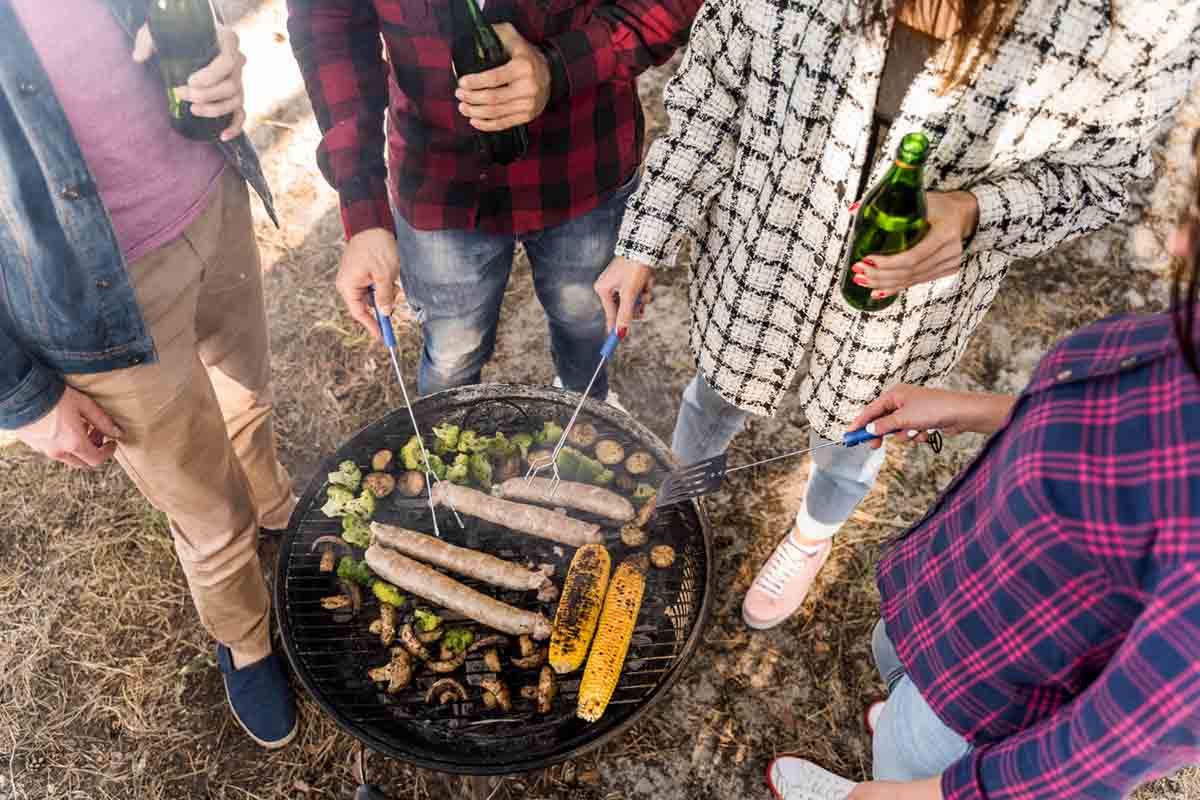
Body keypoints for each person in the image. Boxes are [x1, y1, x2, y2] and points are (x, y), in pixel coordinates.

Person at [593, 0, 1200, 630]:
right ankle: (685, 492)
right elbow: (713, 90)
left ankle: (810, 536)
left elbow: (1103, 177)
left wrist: (974, 212)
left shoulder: (1140, 21)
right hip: (762, 245)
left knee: (856, 433)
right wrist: (645, 240)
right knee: (715, 389)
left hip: (907, 302)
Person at [769, 130, 1200, 800]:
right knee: (896, 660)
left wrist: (910, 795)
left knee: (907, 750)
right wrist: (967, 408)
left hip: (995, 693)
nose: (1176, 247)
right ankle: (903, 724)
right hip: (964, 582)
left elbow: (1102, 752)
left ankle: (898, 763)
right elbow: (1121, 415)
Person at [1, 0, 297, 749]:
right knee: (203, 506)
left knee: (248, 400)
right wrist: (21, 398)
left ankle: (276, 506)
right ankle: (246, 637)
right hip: (90, 297)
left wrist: (222, 48)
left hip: (212, 196)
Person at [285, 0, 700, 404]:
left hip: (584, 162)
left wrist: (558, 67)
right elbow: (328, 25)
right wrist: (363, 208)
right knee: (451, 354)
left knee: (586, 322)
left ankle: (586, 406)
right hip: (438, 179)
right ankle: (449, 442)